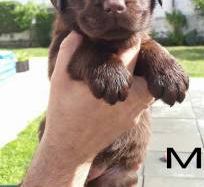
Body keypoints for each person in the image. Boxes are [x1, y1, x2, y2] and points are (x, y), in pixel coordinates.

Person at [21, 32, 154, 187]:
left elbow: (143, 47)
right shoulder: (68, 39)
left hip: (121, 166)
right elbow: (57, 70)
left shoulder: (136, 35)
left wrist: (155, 56)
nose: (114, 6)